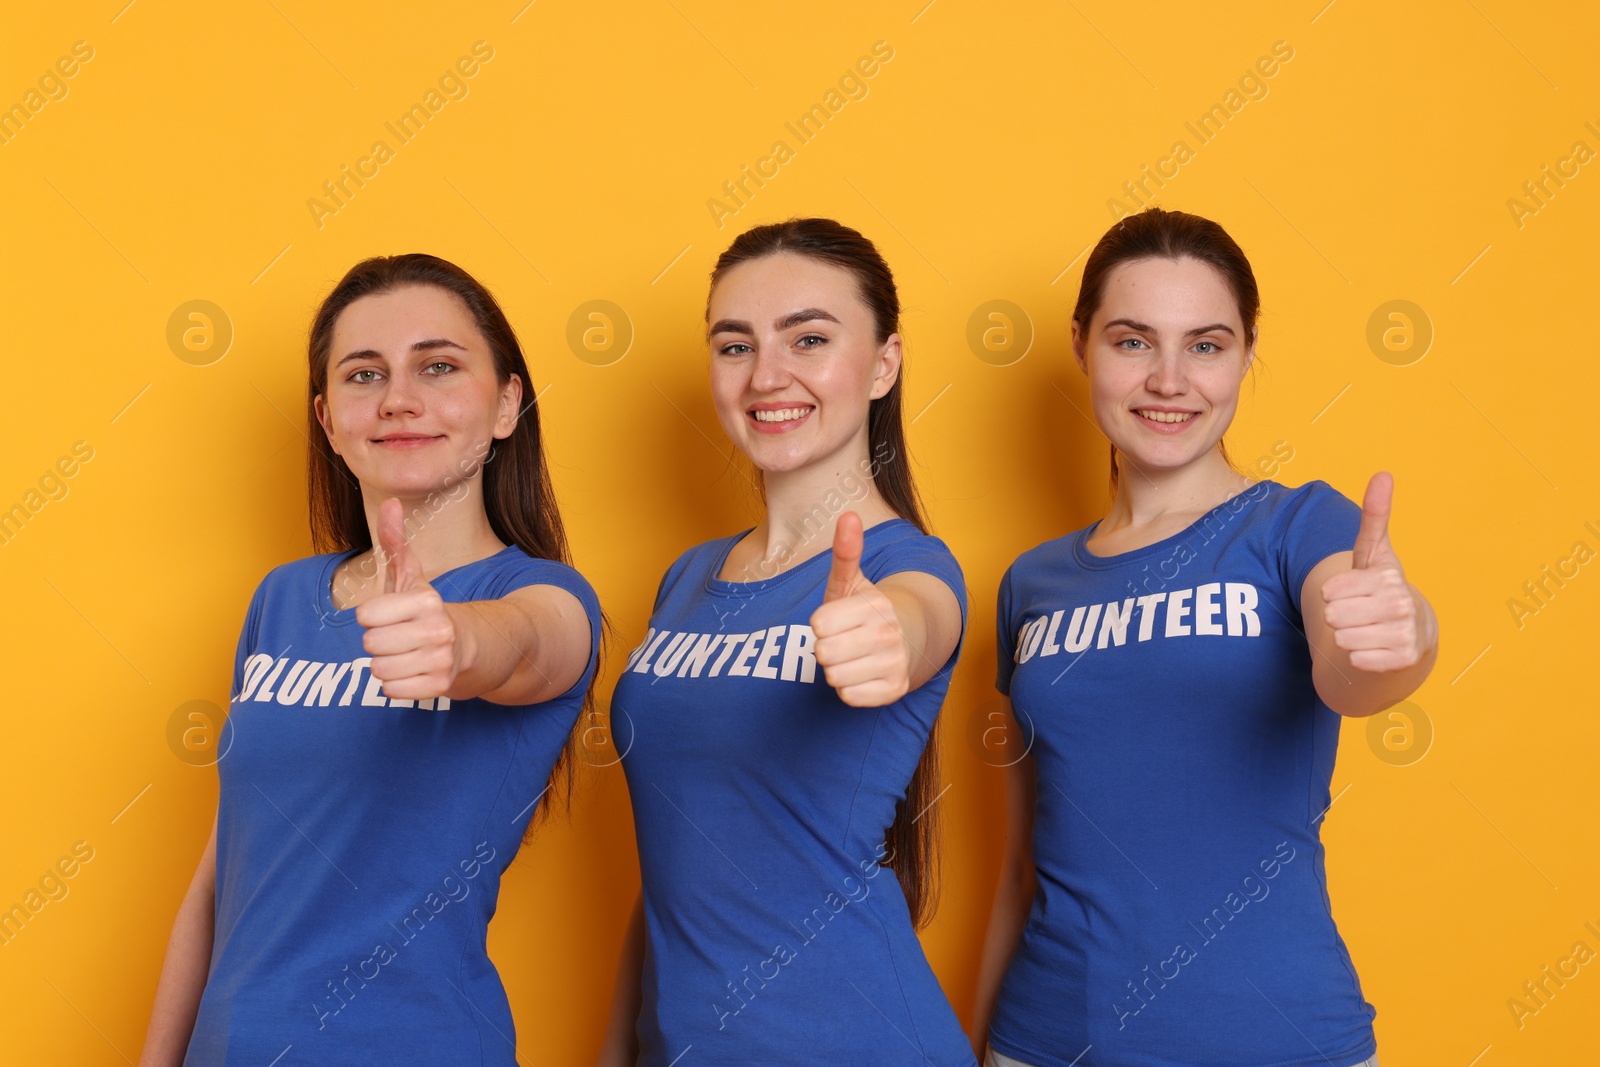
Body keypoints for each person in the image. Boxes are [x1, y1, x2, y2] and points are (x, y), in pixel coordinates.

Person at [970, 207, 1438, 1067]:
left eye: (1207, 345)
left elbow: (1358, 670)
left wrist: (1403, 635)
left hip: (1279, 1040)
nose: (1170, 379)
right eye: (1133, 341)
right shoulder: (1029, 585)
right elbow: (1018, 870)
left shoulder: (1299, 525)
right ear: (1082, 345)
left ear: (1248, 353)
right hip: (1043, 1042)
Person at [138, 254, 603, 1066]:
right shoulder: (280, 600)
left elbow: (527, 645)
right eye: (364, 374)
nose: (397, 399)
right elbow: (221, 877)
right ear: (327, 418)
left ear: (506, 405)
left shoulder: (547, 596)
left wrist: (453, 640)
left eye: (439, 366)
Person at [596, 218, 976, 1066]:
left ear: (884, 362)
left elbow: (917, 622)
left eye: (809, 338)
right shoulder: (688, 579)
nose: (768, 375)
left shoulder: (909, 568)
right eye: (735, 346)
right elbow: (675, 863)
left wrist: (888, 637)